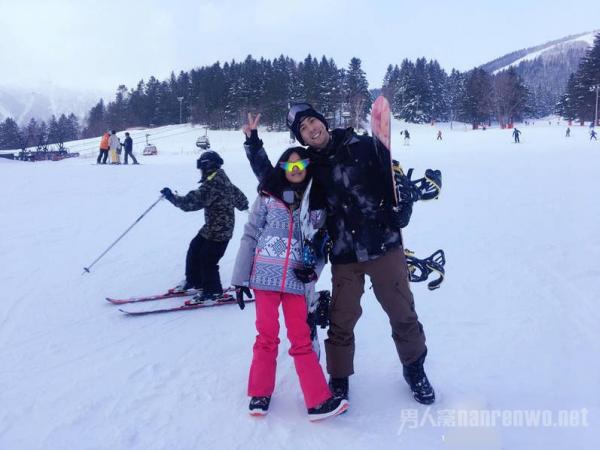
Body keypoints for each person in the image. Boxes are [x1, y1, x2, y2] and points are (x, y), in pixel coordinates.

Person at [242, 105, 435, 405]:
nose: (311, 129)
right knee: (341, 321)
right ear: (301, 138)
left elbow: (396, 178)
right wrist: (253, 144)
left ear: (323, 121)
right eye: (303, 129)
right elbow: (275, 179)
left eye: (312, 121)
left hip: (384, 245)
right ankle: (340, 377)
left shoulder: (364, 145)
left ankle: (415, 369)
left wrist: (404, 206)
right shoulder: (310, 167)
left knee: (402, 313)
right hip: (345, 254)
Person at [232, 147, 348, 420]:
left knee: (301, 339)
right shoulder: (267, 197)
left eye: (301, 165)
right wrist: (240, 278)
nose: (295, 171)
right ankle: (259, 392)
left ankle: (318, 400)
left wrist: (314, 271)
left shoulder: (315, 202)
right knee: (267, 335)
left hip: (297, 282)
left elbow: (321, 245)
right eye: (290, 166)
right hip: (265, 278)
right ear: (283, 168)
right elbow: (250, 235)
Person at [160, 151, 249, 303]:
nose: (200, 170)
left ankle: (213, 292)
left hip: (220, 232)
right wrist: (243, 205)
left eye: (200, 166)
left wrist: (171, 197)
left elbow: (189, 203)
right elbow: (241, 198)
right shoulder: (221, 178)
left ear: (207, 166)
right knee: (195, 247)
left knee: (208, 260)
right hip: (211, 228)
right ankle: (194, 280)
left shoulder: (213, 184)